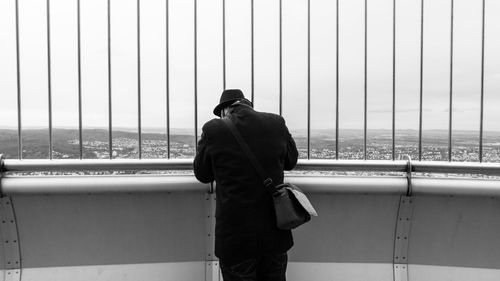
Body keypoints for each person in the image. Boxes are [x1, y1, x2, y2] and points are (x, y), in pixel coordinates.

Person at [193, 89, 299, 281]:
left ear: (225, 110)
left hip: (235, 237)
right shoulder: (276, 122)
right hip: (275, 232)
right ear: (248, 105)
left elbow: (202, 173)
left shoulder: (213, 129)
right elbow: (291, 161)